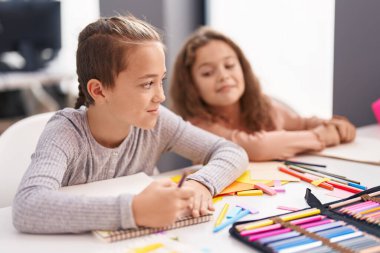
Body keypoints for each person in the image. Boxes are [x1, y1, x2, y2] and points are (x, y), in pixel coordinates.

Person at [12, 16, 248, 234]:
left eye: (160, 81)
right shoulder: (66, 133)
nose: (160, 96)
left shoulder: (158, 121)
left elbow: (231, 151)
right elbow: (27, 207)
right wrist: (133, 210)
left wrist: (202, 183)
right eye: (147, 84)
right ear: (99, 90)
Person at [170, 27, 356, 162]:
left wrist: (336, 127)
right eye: (207, 73)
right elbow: (256, 148)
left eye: (229, 65)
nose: (223, 76)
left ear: (243, 68)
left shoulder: (264, 105)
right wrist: (320, 137)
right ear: (191, 86)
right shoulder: (197, 126)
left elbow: (302, 123)